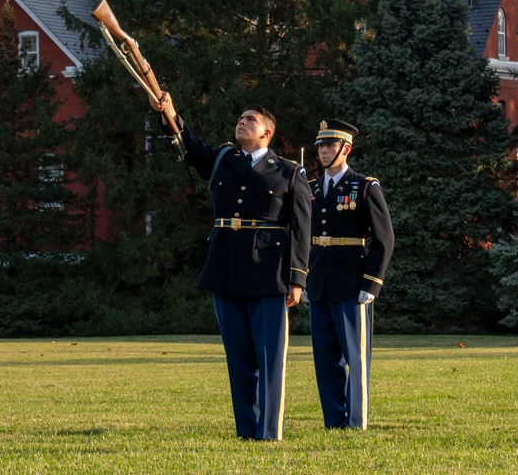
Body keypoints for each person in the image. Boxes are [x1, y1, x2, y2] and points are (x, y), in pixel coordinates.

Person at [152, 93, 310, 441]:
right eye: (240, 118)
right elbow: (188, 145)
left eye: (250, 119)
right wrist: (170, 112)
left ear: (267, 133)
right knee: (238, 358)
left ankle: (269, 432)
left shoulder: (289, 172)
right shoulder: (223, 160)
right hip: (225, 268)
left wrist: (297, 279)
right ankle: (246, 430)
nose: (242, 122)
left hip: (269, 272)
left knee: (269, 359)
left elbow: (301, 229)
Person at [306, 118, 394, 430]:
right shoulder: (312, 189)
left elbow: (384, 239)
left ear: (347, 148)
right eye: (320, 145)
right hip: (318, 283)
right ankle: (333, 421)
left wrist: (372, 283)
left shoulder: (364, 186)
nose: (323, 151)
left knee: (355, 359)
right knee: (325, 358)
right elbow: (303, 236)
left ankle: (355, 422)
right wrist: (302, 278)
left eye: (329, 145)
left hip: (352, 282)